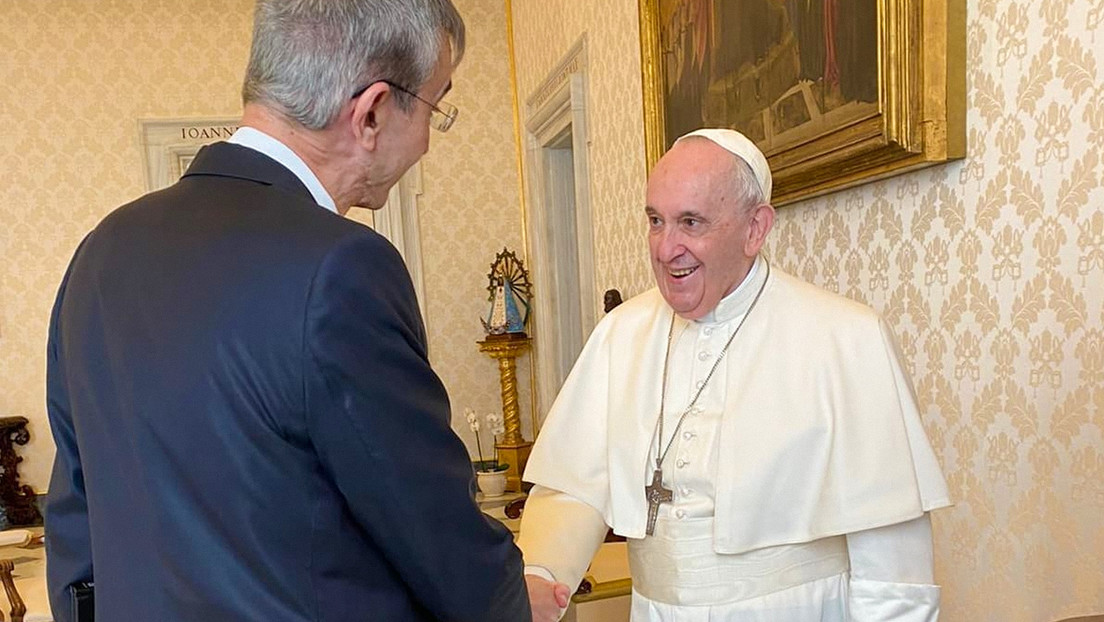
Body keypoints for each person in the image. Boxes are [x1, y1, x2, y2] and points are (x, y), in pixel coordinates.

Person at [44, 1, 530, 620]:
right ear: (373, 111)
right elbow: (434, 532)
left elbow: (76, 521)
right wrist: (513, 602)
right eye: (437, 106)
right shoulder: (343, 267)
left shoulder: (102, 251)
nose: (430, 141)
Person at [519, 128, 951, 621]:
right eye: (656, 221)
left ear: (755, 229)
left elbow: (891, 550)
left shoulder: (847, 338)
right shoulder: (622, 333)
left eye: (691, 222)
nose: (665, 249)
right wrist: (545, 572)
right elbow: (574, 482)